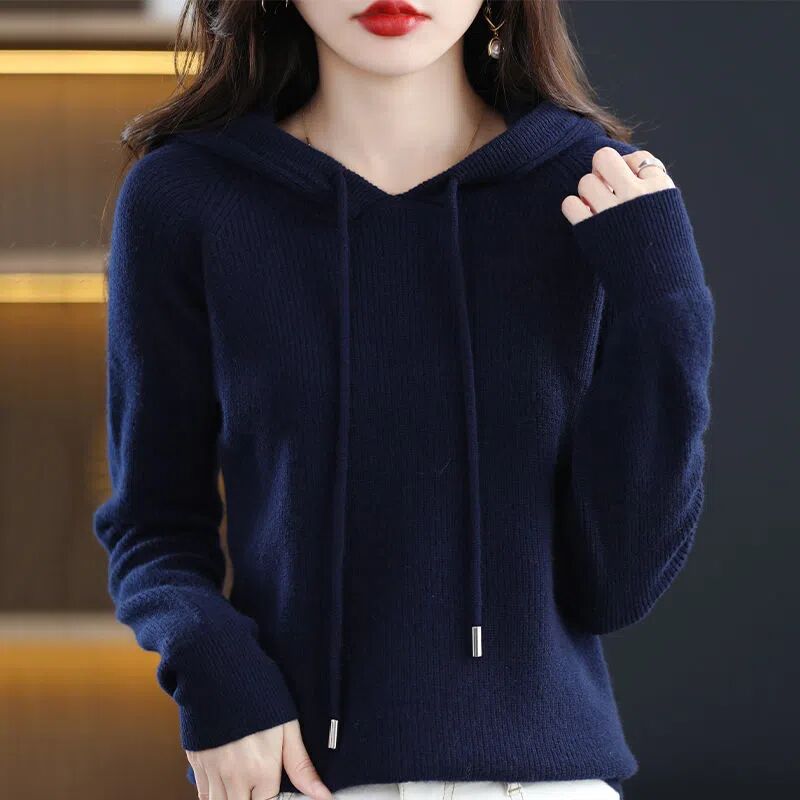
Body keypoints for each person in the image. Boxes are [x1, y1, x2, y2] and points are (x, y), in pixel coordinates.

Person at [93, 1, 715, 799]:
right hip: (299, 777)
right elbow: (151, 525)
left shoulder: (596, 188)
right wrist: (215, 673)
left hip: (549, 781)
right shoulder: (187, 196)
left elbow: (616, 586)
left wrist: (668, 308)